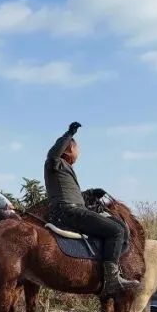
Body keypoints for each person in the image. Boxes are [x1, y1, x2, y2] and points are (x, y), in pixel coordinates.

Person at [43, 122, 139, 296]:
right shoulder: (55, 163)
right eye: (77, 148)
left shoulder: (64, 168)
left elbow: (72, 195)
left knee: (117, 224)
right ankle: (111, 280)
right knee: (116, 230)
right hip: (69, 212)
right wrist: (69, 134)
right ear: (69, 149)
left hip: (72, 208)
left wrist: (91, 193)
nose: (78, 152)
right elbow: (52, 154)